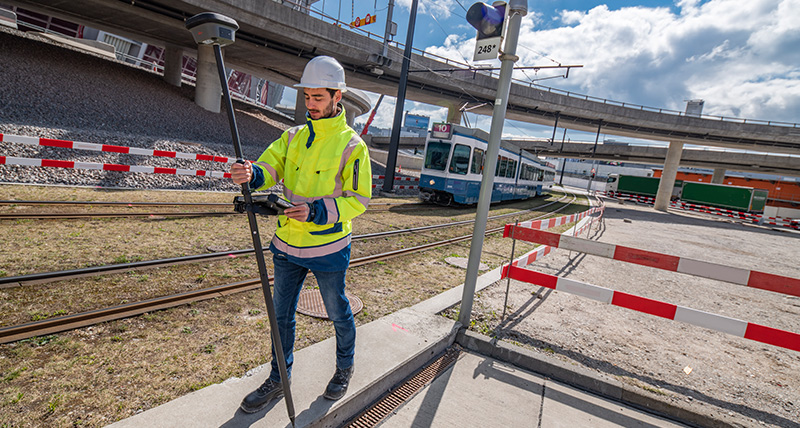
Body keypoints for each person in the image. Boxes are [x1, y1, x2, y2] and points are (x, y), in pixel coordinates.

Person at [230, 55, 372, 413]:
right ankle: (279, 378)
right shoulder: (292, 136)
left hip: (328, 248)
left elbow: (358, 200)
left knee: (338, 311)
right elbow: (269, 166)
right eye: (307, 97)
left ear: (337, 96)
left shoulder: (353, 145)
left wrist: (318, 211)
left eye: (318, 98)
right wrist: (251, 173)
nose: (311, 104)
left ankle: (344, 368)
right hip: (287, 244)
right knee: (281, 316)